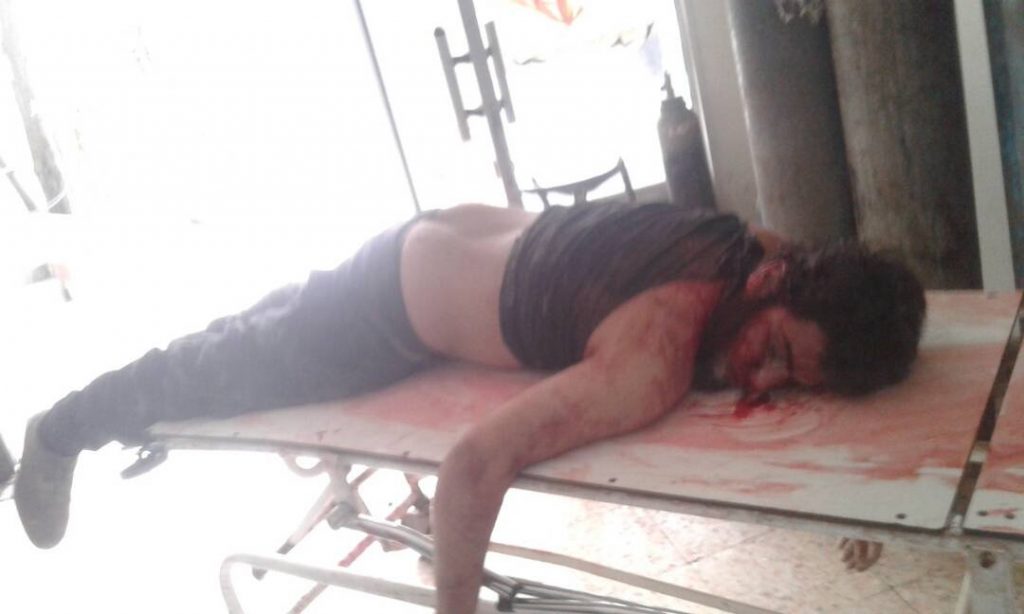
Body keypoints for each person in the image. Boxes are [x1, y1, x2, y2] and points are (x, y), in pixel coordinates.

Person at [14, 200, 925, 613]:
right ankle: (59, 433)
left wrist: (862, 501)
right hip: (385, 319)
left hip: (434, 236)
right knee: (212, 373)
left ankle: (77, 419)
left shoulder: (741, 240)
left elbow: (814, 323)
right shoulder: (653, 360)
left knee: (243, 338)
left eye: (791, 380)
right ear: (772, 283)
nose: (763, 381)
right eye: (775, 353)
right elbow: (473, 464)